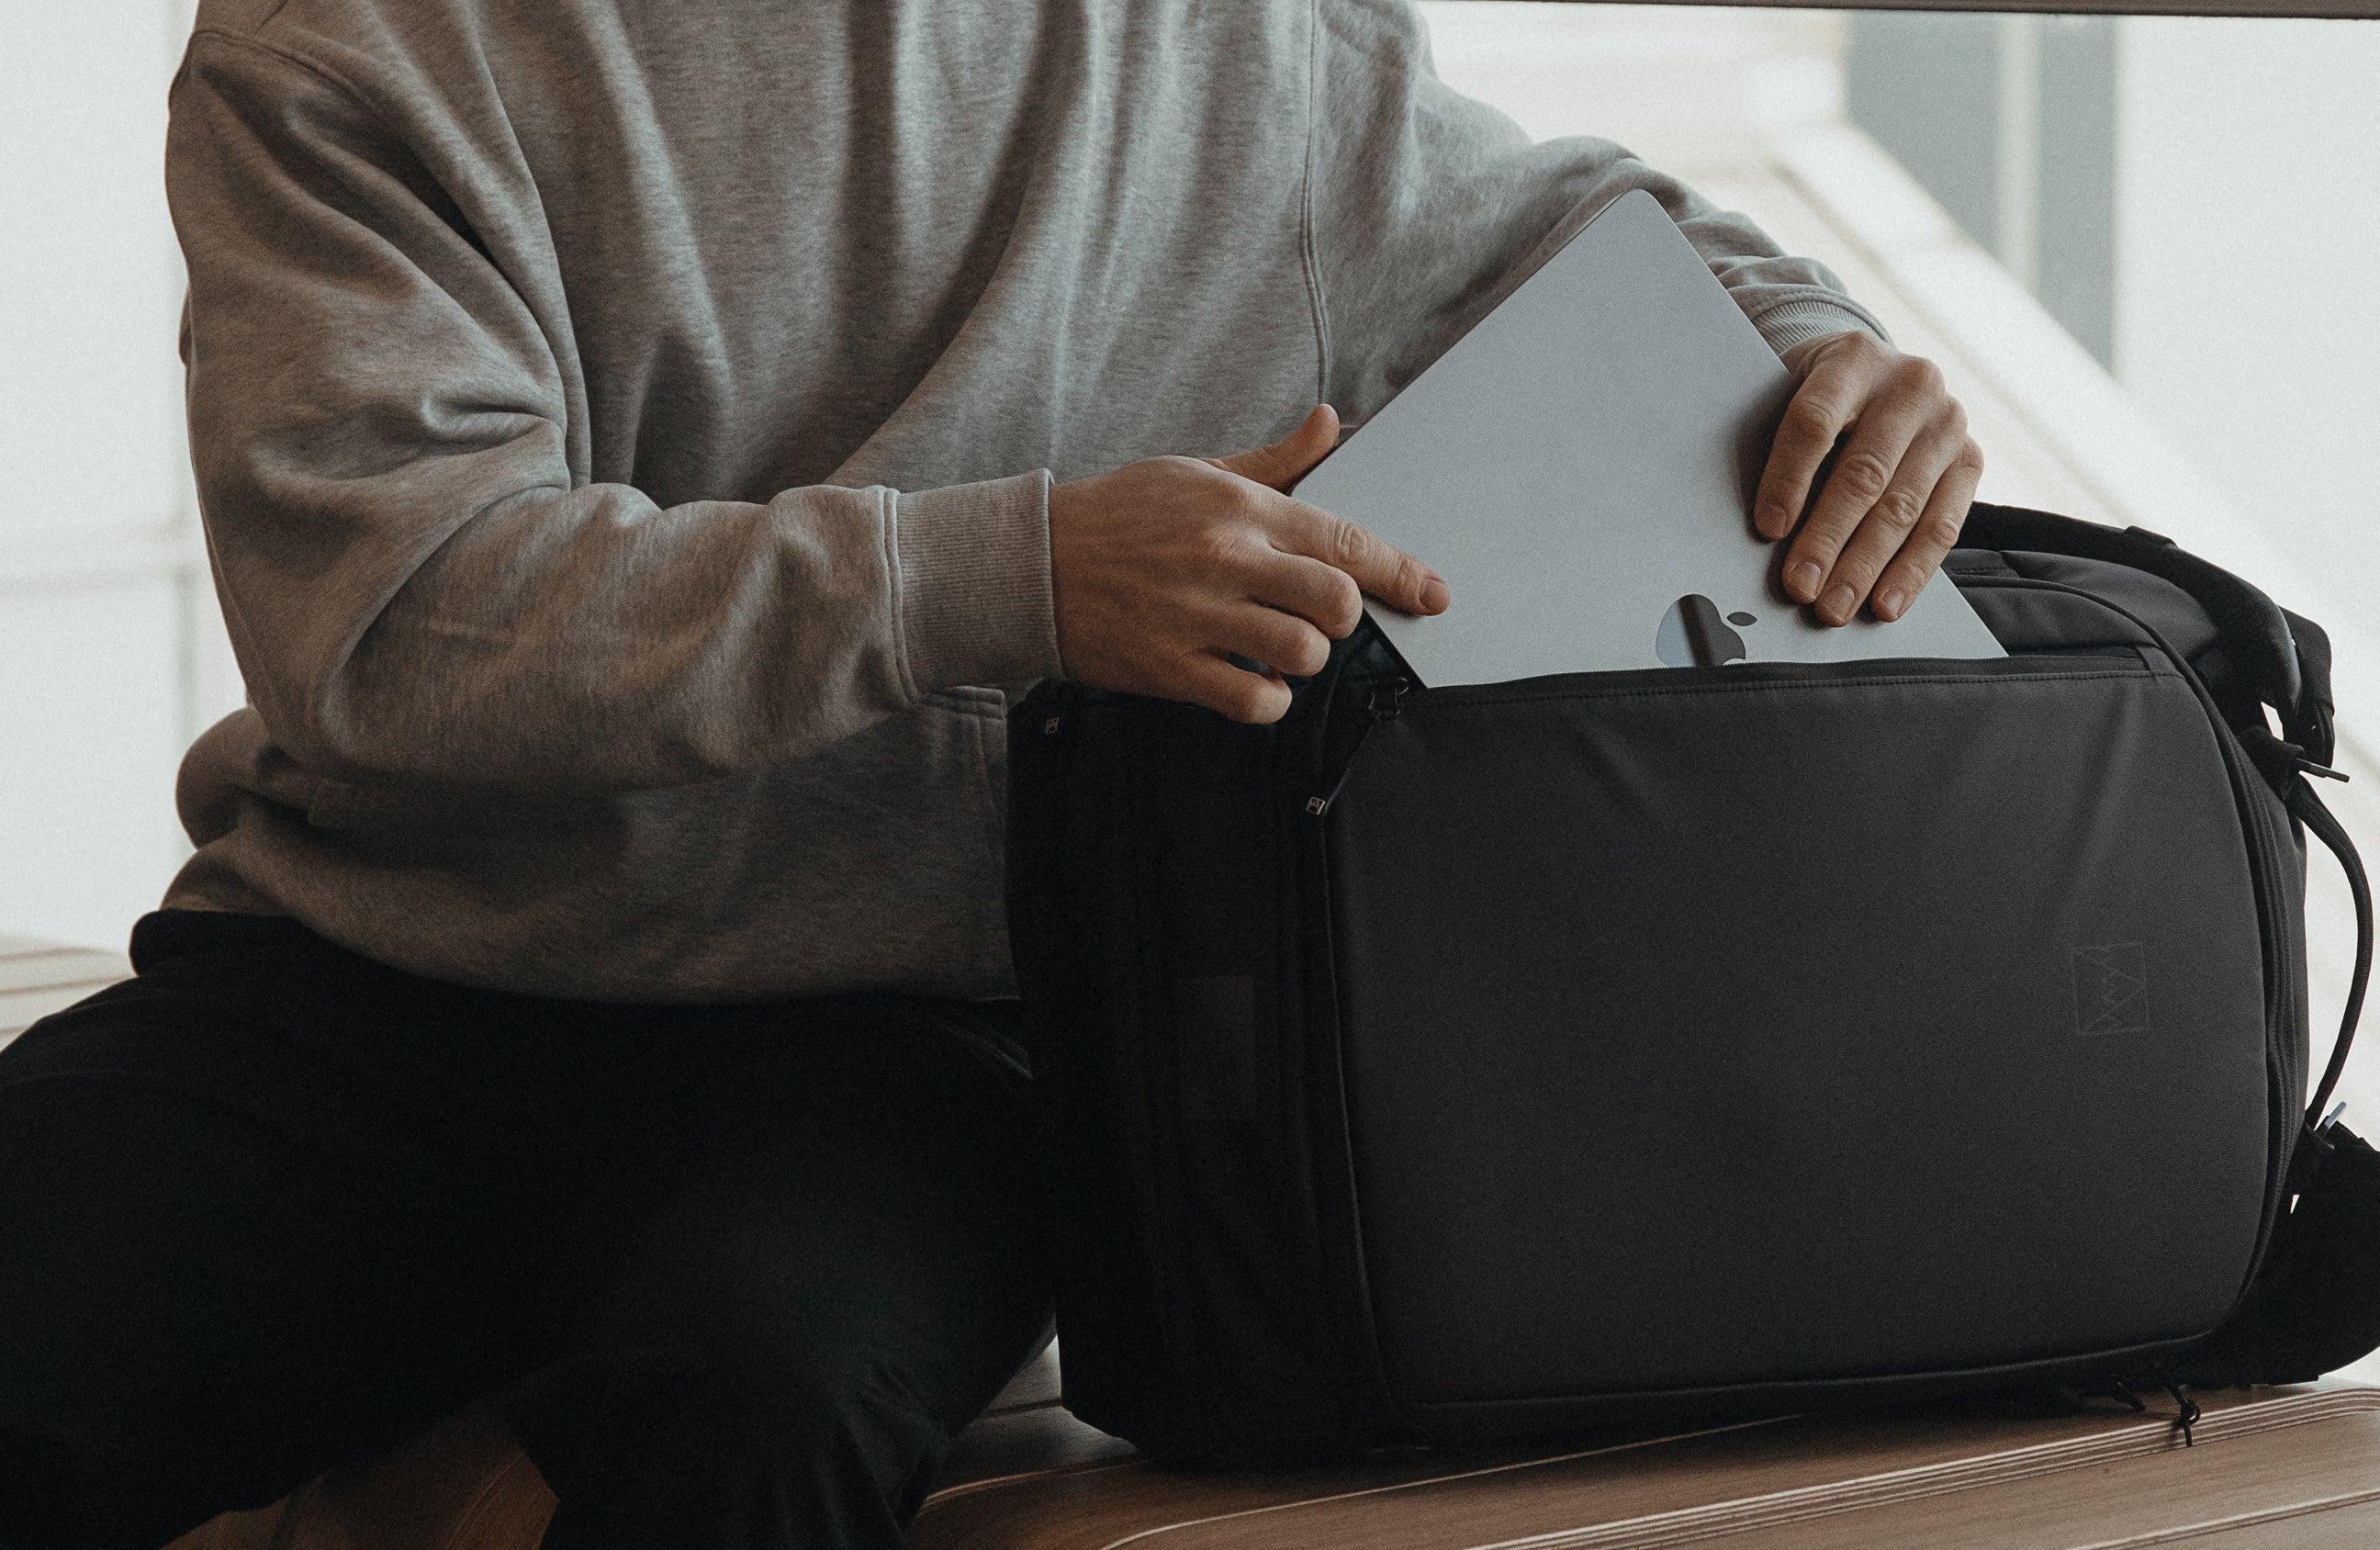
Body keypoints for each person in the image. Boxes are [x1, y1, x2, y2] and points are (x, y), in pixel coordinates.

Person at [0, 2, 1983, 1546]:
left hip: (919, 1025)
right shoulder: (350, 43)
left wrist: (1820, 353)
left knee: (748, 1412)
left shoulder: (1236, 48)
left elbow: (1547, 233)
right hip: (373, 979)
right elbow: (395, 624)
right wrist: (1002, 573)